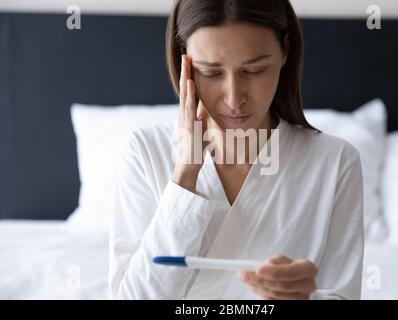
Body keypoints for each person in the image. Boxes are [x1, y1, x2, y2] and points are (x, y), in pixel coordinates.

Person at [109, 0, 364, 300]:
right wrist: (185, 175)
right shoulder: (144, 152)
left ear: (285, 50)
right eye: (211, 72)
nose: (234, 98)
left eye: (255, 70)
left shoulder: (335, 163)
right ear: (184, 63)